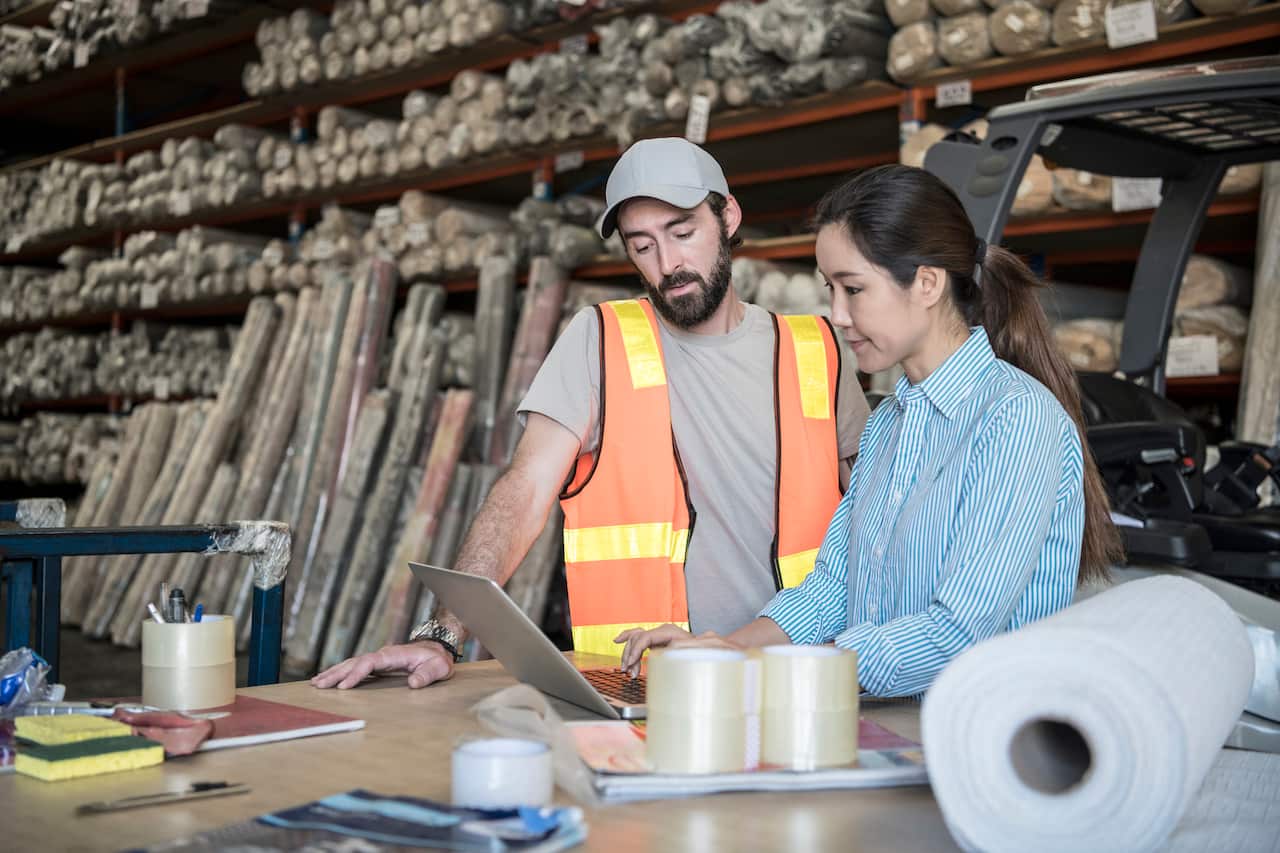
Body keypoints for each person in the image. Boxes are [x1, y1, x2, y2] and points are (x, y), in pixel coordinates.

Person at [312, 137, 870, 690]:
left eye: (682, 233)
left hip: (801, 677)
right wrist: (442, 634)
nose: (668, 264)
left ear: (727, 217)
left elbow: (880, 516)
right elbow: (524, 491)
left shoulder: (816, 348)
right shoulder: (599, 340)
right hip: (644, 687)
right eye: (642, 245)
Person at [619, 164, 1124, 697]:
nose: (836, 314)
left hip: (984, 737)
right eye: (829, 288)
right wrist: (727, 650)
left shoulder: (1015, 420)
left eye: (853, 289)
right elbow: (833, 589)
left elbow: (958, 632)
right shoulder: (889, 423)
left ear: (927, 283)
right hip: (888, 722)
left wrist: (777, 672)